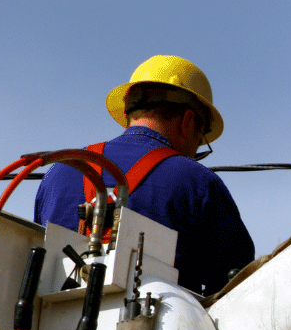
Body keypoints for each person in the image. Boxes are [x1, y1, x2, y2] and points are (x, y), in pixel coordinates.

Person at [34, 55, 254, 296]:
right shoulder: (199, 183)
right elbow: (236, 291)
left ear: (128, 112)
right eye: (201, 137)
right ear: (189, 121)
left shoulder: (59, 173)